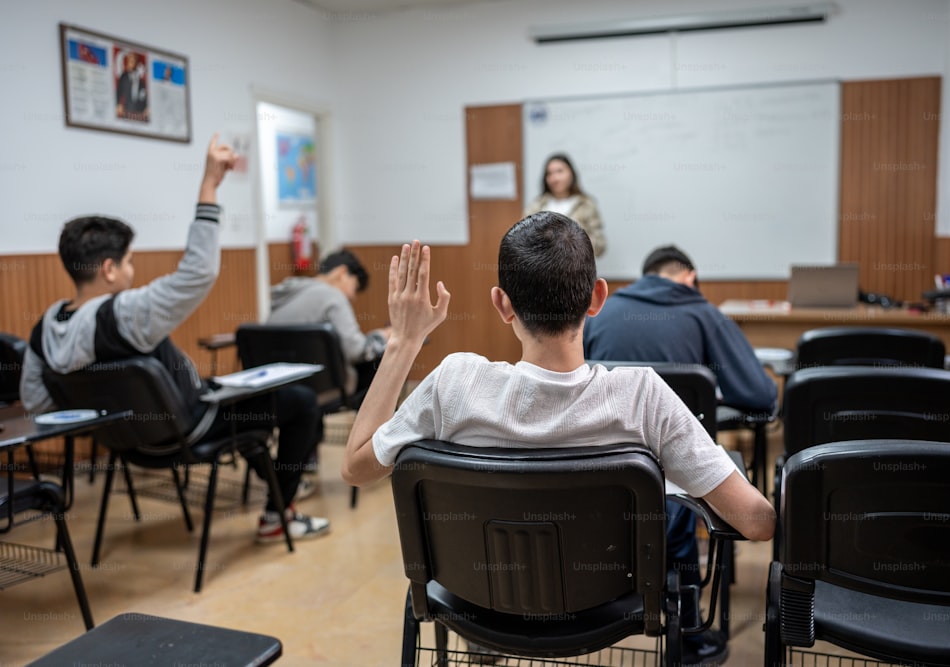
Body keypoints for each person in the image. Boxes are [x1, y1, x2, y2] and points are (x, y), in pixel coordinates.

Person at [341, 213, 775, 663]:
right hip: (609, 608)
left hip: (477, 602)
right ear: (598, 297)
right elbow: (758, 524)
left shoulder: (454, 384)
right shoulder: (643, 396)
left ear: (502, 304)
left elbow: (354, 467)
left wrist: (403, 342)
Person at [19, 135, 330, 544]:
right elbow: (196, 273)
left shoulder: (43, 330)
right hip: (189, 430)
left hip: (126, 446)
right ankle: (278, 515)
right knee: (301, 403)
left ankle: (279, 501)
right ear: (109, 269)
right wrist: (209, 186)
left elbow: (37, 403)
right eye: (130, 262)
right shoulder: (121, 315)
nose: (133, 271)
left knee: (249, 417)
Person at [583, 245, 777, 664]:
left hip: (596, 486)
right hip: (674, 494)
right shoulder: (703, 311)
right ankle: (690, 632)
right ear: (689, 276)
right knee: (685, 490)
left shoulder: (605, 310)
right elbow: (760, 397)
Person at [583, 245, 777, 414]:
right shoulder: (706, 315)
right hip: (681, 453)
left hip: (606, 449)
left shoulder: (597, 314)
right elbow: (759, 395)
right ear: (690, 278)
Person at [267, 249, 389, 406]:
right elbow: (356, 351)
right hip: (322, 390)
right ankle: (371, 430)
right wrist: (382, 336)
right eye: (355, 287)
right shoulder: (333, 296)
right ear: (342, 272)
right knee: (380, 361)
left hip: (276, 390)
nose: (353, 297)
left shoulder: (284, 294)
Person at [524, 154, 607, 257]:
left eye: (560, 171)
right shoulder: (536, 206)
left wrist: (576, 241)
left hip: (576, 268)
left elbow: (600, 246)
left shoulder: (586, 204)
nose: (555, 178)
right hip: (542, 268)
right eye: (549, 173)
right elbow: (523, 239)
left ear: (571, 173)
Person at [116, 51, 148, 121]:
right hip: (126, 111)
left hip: (138, 112)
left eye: (134, 61)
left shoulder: (141, 81)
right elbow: (118, 92)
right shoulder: (123, 77)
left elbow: (143, 96)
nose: (132, 63)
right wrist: (118, 104)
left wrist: (146, 107)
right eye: (131, 61)